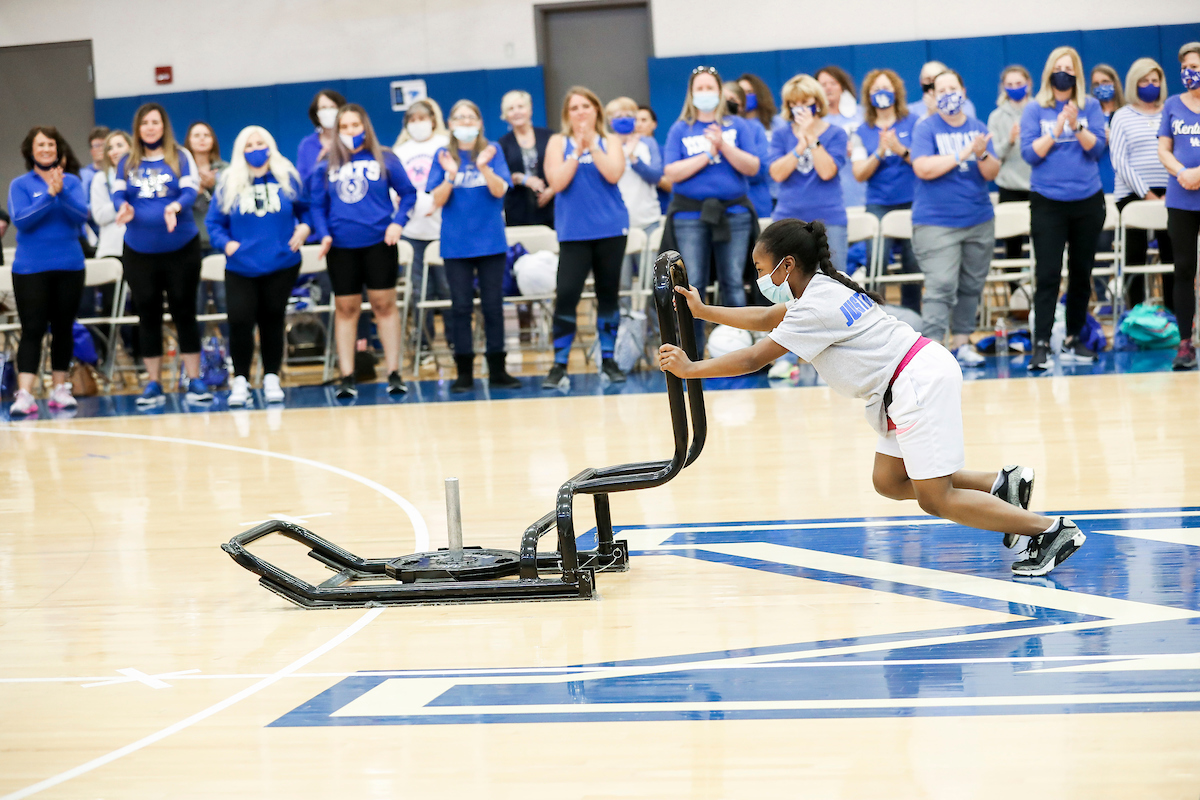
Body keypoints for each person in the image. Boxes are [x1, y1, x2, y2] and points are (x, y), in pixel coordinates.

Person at [657, 218, 1087, 577]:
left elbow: (754, 358)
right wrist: (703, 311)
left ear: (786, 265)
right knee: (890, 482)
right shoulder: (821, 286)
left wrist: (692, 368)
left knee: (934, 498)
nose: (757, 276)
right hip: (910, 378)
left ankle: (1049, 530)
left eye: (760, 266)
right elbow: (770, 316)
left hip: (914, 382)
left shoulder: (813, 307)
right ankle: (1002, 484)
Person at [310, 103, 417, 398]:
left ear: (365, 126)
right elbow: (317, 205)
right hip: (341, 247)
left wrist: (398, 223)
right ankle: (347, 375)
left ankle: (394, 372)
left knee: (384, 305)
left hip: (379, 243)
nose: (350, 132)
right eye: (344, 127)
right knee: (346, 309)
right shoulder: (325, 164)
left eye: (355, 126)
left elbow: (408, 193)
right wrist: (324, 234)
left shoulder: (386, 158)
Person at [112, 102, 211, 406]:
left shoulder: (180, 156)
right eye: (145, 123)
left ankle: (194, 380)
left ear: (163, 126)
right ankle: (153, 383)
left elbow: (190, 189)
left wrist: (175, 206)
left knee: (184, 311)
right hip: (139, 251)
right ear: (138, 128)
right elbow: (117, 192)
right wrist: (123, 207)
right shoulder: (127, 161)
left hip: (181, 249)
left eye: (155, 122)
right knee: (148, 315)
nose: (150, 128)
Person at [206, 126, 311, 407]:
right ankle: (240, 379)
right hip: (241, 265)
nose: (255, 149)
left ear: (270, 145)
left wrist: (304, 228)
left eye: (260, 143)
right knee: (240, 321)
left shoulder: (287, 177)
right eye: (249, 145)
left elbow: (306, 209)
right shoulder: (229, 181)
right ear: (241, 150)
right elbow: (214, 222)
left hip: (281, 262)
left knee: (272, 319)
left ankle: (271, 377)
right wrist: (226, 244)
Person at [662, 66, 763, 352]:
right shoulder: (681, 128)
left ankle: (740, 348)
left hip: (734, 214)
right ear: (692, 94)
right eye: (700, 88)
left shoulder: (737, 126)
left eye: (710, 88)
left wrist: (723, 146)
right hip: (689, 216)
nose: (705, 93)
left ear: (720, 93)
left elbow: (753, 167)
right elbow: (671, 172)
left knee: (733, 280)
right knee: (693, 282)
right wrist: (707, 154)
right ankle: (691, 351)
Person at [1021, 46, 1108, 371]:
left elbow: (1097, 149)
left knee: (1081, 273)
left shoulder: (1091, 106)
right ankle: (1041, 342)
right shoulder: (1034, 108)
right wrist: (1057, 128)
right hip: (1048, 203)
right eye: (1058, 66)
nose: (1063, 72)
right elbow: (1030, 155)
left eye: (1069, 67)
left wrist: (1077, 125)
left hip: (1087, 200)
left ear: (1077, 74)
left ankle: (1074, 336)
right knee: (1047, 274)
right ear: (1049, 72)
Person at [427, 99, 522, 393]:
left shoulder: (492, 151)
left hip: (491, 243)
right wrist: (451, 174)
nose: (466, 123)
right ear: (451, 124)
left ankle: (497, 369)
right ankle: (464, 372)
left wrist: (483, 167)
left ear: (480, 123)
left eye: (471, 118)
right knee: (460, 309)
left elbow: (499, 191)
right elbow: (437, 199)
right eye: (459, 118)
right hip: (456, 245)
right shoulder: (443, 155)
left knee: (493, 307)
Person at [911, 69, 1000, 367]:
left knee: (971, 284)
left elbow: (991, 173)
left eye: (953, 87)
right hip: (936, 222)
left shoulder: (978, 126)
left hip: (978, 219)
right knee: (941, 285)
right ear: (933, 97)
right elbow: (923, 167)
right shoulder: (926, 128)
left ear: (963, 91)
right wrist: (963, 154)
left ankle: (962, 343)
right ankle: (933, 351)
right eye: (942, 90)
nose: (949, 94)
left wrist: (982, 154)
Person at [542, 86, 629, 388]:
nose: (580, 112)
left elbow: (613, 174)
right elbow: (556, 182)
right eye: (574, 108)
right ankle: (559, 364)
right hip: (573, 232)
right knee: (566, 294)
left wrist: (592, 146)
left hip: (610, 229)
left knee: (608, 295)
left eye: (586, 106)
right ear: (567, 114)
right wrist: (576, 152)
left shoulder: (610, 141)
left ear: (596, 110)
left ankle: (608, 359)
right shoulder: (557, 142)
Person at [5, 126, 90, 416]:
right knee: (32, 329)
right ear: (31, 151)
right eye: (40, 145)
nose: (46, 149)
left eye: (51, 145)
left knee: (63, 328)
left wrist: (61, 191)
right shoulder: (20, 184)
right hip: (31, 268)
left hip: (69, 265)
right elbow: (22, 220)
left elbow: (81, 216)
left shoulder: (73, 182)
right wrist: (48, 195)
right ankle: (25, 394)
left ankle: (60, 389)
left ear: (58, 150)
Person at [850, 68, 920, 312]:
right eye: (876, 89)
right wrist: (879, 151)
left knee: (912, 264)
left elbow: (922, 163)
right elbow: (859, 173)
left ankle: (913, 313)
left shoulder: (913, 123)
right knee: (876, 261)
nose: (882, 94)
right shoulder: (861, 131)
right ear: (868, 96)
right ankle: (875, 313)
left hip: (912, 201)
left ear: (896, 92)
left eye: (886, 88)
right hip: (879, 204)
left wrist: (900, 149)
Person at [769, 74, 849, 273]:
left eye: (805, 102)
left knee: (834, 280)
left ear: (817, 102)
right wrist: (799, 146)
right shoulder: (780, 135)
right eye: (793, 103)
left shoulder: (836, 133)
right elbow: (777, 174)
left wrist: (811, 138)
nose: (799, 107)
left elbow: (827, 172)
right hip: (788, 221)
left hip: (828, 219)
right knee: (788, 282)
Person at [1110, 58, 1172, 309]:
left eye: (1154, 80)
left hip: (1171, 194)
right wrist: (1146, 194)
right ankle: (1136, 313)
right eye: (1144, 80)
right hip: (1133, 196)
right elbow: (1119, 160)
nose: (1149, 85)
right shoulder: (1121, 116)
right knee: (1135, 257)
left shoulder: (1171, 111)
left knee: (1172, 258)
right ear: (1134, 83)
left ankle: (1173, 316)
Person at [394, 98, 452, 360]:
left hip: (443, 229)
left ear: (432, 120)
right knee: (419, 292)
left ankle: (455, 341)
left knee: (448, 289)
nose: (418, 124)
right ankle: (424, 344)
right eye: (412, 119)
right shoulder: (399, 151)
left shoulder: (444, 145)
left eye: (422, 118)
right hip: (412, 232)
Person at [1158, 42, 1200, 371]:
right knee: (1183, 268)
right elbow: (1164, 149)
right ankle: (1185, 342)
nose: (1191, 72)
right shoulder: (1172, 104)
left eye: (1196, 66)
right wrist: (1183, 173)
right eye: (1186, 66)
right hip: (1181, 197)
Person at [606, 95, 663, 305]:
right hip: (617, 225)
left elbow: (656, 175)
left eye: (628, 115)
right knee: (621, 285)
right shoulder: (604, 144)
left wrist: (633, 159)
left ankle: (656, 332)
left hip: (648, 220)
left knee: (654, 284)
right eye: (617, 115)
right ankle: (626, 333)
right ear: (609, 120)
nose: (624, 119)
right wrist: (622, 156)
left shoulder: (647, 143)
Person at [185, 121, 228, 335]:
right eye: (196, 135)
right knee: (195, 301)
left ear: (213, 141)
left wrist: (214, 185)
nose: (201, 139)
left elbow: (231, 202)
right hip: (190, 243)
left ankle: (231, 353)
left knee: (224, 298)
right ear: (188, 141)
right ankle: (197, 355)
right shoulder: (181, 170)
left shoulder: (225, 170)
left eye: (206, 135)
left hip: (218, 243)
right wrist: (192, 190)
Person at [988, 65, 1034, 260]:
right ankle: (1015, 289)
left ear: (1028, 85)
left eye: (1019, 83)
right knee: (1012, 244)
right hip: (1010, 187)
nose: (1015, 87)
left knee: (1042, 241)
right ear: (1003, 87)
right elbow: (993, 155)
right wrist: (1009, 141)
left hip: (1037, 186)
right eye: (1010, 84)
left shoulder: (1038, 110)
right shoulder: (996, 117)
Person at [497, 90, 555, 228]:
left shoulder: (550, 136)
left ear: (530, 109)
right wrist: (523, 179)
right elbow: (500, 177)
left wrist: (552, 190)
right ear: (505, 115)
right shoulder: (502, 143)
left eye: (520, 107)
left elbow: (563, 166)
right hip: (518, 211)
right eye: (511, 109)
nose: (516, 112)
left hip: (552, 207)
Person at [817, 65, 866, 208]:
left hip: (860, 183)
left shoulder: (862, 114)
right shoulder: (816, 121)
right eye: (823, 85)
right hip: (830, 186)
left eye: (833, 83)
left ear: (842, 86)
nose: (828, 88)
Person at [724, 81, 772, 218]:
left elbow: (761, 168)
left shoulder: (755, 129)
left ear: (742, 105)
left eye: (732, 100)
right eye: (723, 100)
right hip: (721, 207)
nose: (727, 104)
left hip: (755, 203)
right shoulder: (711, 129)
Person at [90, 130, 131, 262]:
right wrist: (123, 202)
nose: (115, 151)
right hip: (111, 249)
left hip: (140, 246)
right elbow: (100, 215)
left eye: (120, 145)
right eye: (110, 148)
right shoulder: (100, 178)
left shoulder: (140, 176)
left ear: (131, 147)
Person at [297, 89, 346, 183]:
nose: (328, 112)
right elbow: (302, 182)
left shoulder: (350, 139)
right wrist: (319, 166)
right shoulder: (307, 145)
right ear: (316, 114)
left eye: (332, 107)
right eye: (323, 108)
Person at [1091, 64, 1124, 195]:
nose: (1101, 87)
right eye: (1096, 84)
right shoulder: (1090, 115)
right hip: (1098, 180)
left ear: (1114, 83)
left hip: (1124, 180)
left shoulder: (1126, 112)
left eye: (1105, 82)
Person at [909, 61, 978, 121]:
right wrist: (930, 113)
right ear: (921, 82)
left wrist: (939, 109)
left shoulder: (964, 104)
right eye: (928, 79)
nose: (932, 83)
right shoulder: (912, 109)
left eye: (936, 78)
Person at [636, 104, 672, 213]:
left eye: (643, 120)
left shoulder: (665, 152)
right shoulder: (622, 151)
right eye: (635, 120)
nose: (639, 124)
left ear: (654, 124)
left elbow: (672, 186)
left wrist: (650, 174)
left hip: (659, 212)